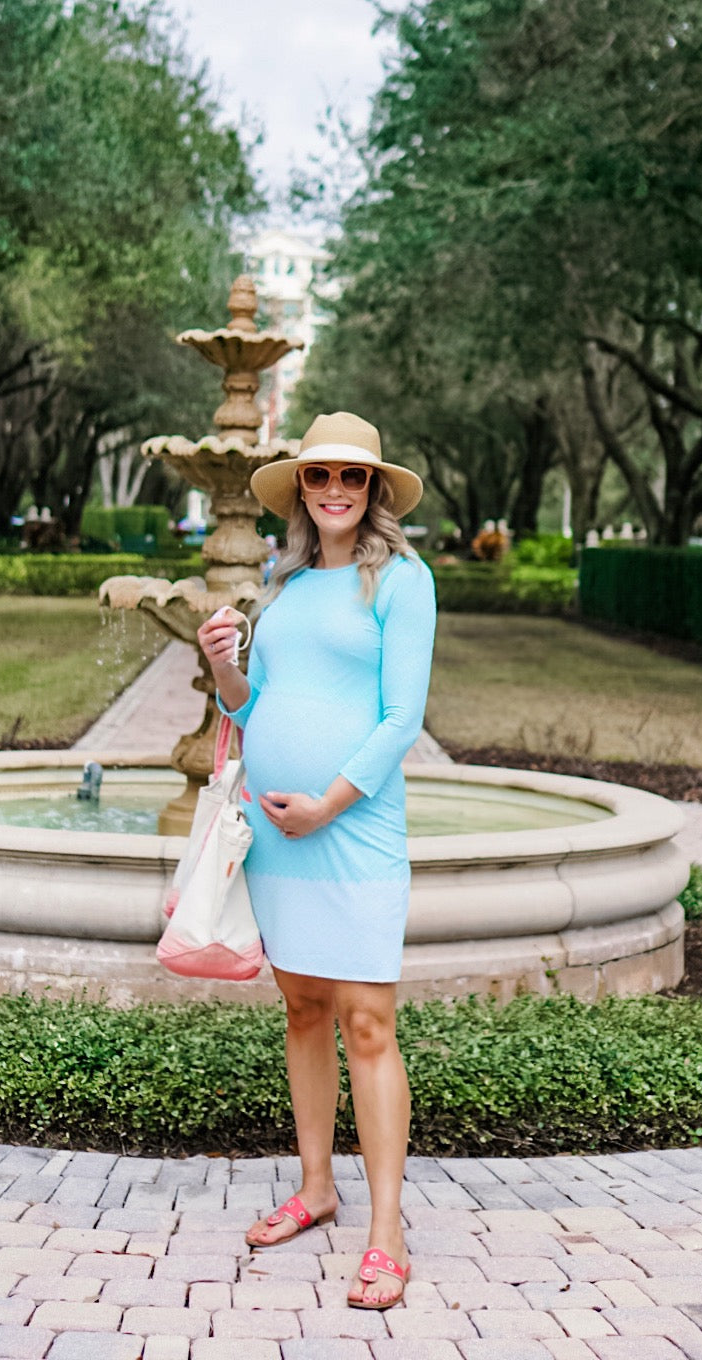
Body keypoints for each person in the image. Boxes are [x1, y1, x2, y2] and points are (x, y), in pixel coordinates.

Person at [196, 411, 436, 1311]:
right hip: (276, 836)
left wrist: (329, 803)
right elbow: (257, 710)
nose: (335, 490)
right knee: (302, 1008)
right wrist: (226, 670)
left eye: (353, 477)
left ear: (375, 489)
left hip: (354, 832)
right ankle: (317, 1188)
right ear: (300, 487)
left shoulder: (403, 582)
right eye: (319, 476)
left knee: (367, 1021)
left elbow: (399, 719)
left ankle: (387, 1233)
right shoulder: (284, 583)